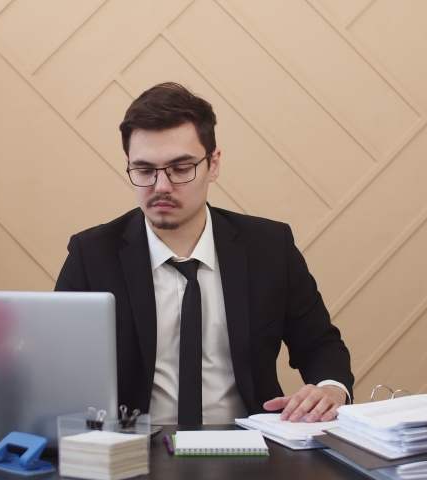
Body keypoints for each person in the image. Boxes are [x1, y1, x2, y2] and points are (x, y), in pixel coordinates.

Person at [55, 82, 354, 425]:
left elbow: (320, 343)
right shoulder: (91, 254)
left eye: (181, 168)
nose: (161, 186)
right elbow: (59, 364)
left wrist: (331, 389)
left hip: (250, 447)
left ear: (213, 164)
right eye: (144, 170)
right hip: (133, 452)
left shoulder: (270, 246)